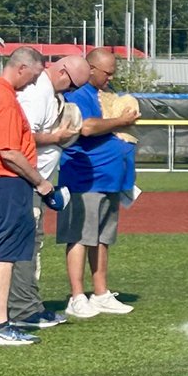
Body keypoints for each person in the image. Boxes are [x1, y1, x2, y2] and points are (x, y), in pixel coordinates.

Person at [0, 47, 59, 345]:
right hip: (8, 183)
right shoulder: (6, 99)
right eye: (34, 76)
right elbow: (9, 152)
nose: (33, 83)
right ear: (21, 68)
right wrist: (41, 182)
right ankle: (0, 323)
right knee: (5, 254)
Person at [6, 55, 90, 329]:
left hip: (32, 181)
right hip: (25, 180)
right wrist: (56, 138)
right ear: (63, 72)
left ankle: (26, 306)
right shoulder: (39, 92)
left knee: (30, 243)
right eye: (73, 85)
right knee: (26, 245)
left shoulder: (48, 92)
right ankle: (23, 310)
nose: (72, 91)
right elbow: (19, 138)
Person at [57, 49, 140, 318]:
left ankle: (101, 293)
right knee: (80, 236)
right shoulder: (79, 94)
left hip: (109, 179)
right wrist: (121, 121)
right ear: (91, 69)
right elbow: (87, 127)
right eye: (107, 73)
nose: (111, 77)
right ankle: (77, 296)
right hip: (84, 178)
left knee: (102, 238)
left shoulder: (105, 93)